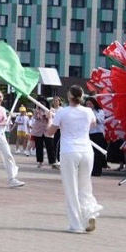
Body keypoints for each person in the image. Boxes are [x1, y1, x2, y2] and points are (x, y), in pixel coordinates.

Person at [45, 85, 103, 234]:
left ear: (69, 97)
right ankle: (90, 213)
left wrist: (50, 118)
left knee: (71, 188)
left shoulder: (62, 112)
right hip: (86, 151)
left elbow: (49, 132)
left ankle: (76, 224)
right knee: (85, 186)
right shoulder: (88, 111)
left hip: (69, 151)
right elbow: (93, 124)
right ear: (82, 97)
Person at [85, 97, 108, 176]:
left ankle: (97, 170)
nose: (88, 105)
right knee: (89, 153)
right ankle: (89, 170)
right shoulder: (84, 112)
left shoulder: (100, 111)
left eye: (90, 104)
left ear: (94, 104)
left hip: (97, 134)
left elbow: (99, 121)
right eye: (87, 104)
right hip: (88, 134)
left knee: (97, 153)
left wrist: (91, 114)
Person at [30, 102, 53, 169]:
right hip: (38, 130)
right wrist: (37, 108)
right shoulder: (37, 110)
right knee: (39, 147)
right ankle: (40, 161)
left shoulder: (49, 110)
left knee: (50, 146)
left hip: (47, 130)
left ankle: (52, 161)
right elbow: (35, 117)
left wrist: (47, 114)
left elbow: (49, 118)